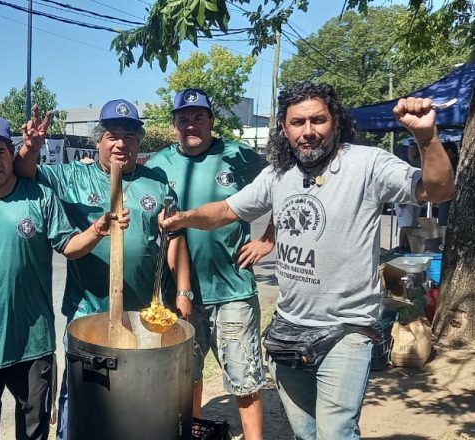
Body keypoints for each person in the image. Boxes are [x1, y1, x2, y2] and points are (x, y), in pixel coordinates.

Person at [161, 81, 455, 440]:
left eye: (318, 120)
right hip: (290, 329)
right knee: (304, 432)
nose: (309, 132)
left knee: (335, 432)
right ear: (284, 129)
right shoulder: (278, 174)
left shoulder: (366, 164)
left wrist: (427, 139)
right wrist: (185, 218)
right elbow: (226, 210)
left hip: (348, 328)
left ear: (335, 122)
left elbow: (438, 190)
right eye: (298, 123)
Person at [15, 100, 193, 440]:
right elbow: (26, 172)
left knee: (138, 396)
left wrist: (183, 291)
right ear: (99, 140)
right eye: (112, 135)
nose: (120, 143)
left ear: (139, 142)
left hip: (144, 314)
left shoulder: (156, 182)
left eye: (129, 136)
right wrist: (30, 148)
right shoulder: (72, 177)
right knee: (81, 393)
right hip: (89, 311)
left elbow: (174, 238)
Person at [0, 115, 122, 440]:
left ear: (12, 152)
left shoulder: (39, 196)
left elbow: (68, 246)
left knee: (34, 431)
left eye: (0, 152)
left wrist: (96, 230)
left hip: (33, 343)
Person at [145, 88, 274, 440]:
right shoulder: (158, 164)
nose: (191, 124)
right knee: (189, 376)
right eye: (183, 118)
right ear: (174, 125)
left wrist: (269, 239)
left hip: (232, 289)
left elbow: (281, 188)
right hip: (179, 297)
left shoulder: (239, 156)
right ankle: (193, 433)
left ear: (211, 121)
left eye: (198, 117)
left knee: (244, 379)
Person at [436, 141, 459, 226]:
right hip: (448, 198)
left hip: (448, 198)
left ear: (449, 152)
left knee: (443, 224)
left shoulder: (451, 165)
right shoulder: (455, 163)